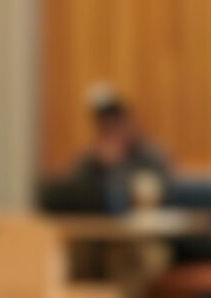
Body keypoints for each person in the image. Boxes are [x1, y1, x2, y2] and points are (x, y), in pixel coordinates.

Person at [66, 82, 176, 214]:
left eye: (115, 120)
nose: (111, 127)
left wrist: (120, 165)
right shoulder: (90, 159)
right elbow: (74, 192)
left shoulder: (149, 153)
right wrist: (99, 166)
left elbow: (165, 188)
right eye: (104, 123)